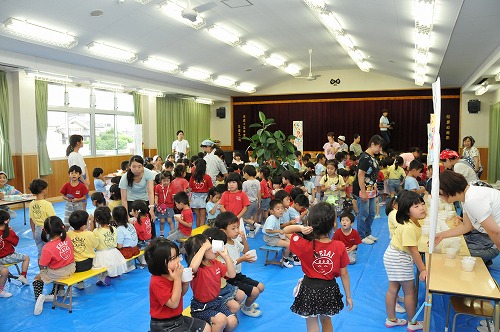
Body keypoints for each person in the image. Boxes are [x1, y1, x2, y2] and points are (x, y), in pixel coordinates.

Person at [284, 202, 353, 332]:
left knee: (311, 322)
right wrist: (348, 296)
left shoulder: (304, 245)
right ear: (333, 224)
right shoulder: (339, 246)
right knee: (327, 320)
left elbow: (285, 231)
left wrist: (301, 228)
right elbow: (344, 274)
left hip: (309, 288)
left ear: (311, 224)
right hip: (329, 289)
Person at [145, 237, 210, 332]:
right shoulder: (157, 282)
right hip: (163, 324)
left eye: (177, 256)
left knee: (206, 328)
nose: (178, 260)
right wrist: (177, 279)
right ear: (160, 263)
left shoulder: (173, 274)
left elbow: (180, 294)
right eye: (173, 258)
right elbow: (174, 304)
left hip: (178, 318)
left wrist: (184, 283)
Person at [383, 190, 426, 331]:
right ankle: (412, 323)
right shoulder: (408, 228)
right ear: (407, 212)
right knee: (410, 291)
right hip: (399, 258)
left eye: (422, 204)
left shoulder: (413, 222)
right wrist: (423, 269)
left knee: (393, 288)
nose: (421, 207)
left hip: (393, 254)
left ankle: (391, 319)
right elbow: (414, 251)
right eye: (416, 206)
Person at [435, 170, 500, 260]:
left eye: (440, 194)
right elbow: (466, 226)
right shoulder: (466, 197)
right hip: (492, 238)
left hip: (494, 242)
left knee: (461, 256)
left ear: (445, 191)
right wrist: (442, 235)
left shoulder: (472, 200)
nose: (440, 198)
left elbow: (495, 232)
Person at [215, 212, 264, 318]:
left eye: (237, 227)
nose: (237, 230)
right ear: (222, 231)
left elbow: (245, 250)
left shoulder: (234, 241)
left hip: (238, 275)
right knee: (255, 291)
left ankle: (246, 304)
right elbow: (226, 267)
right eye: (233, 228)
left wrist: (244, 241)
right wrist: (242, 259)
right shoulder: (221, 248)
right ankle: (246, 308)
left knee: (261, 287)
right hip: (229, 278)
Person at [185, 234, 238, 332]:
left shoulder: (215, 263)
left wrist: (226, 257)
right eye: (209, 247)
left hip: (216, 302)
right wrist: (204, 247)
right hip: (201, 307)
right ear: (198, 253)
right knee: (221, 320)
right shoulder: (197, 269)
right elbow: (192, 267)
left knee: (232, 322)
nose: (212, 248)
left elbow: (231, 274)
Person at [33, 216, 75, 315]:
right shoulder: (67, 239)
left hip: (59, 273)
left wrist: (43, 271)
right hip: (71, 269)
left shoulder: (47, 247)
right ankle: (59, 291)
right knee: (56, 268)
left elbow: (42, 264)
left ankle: (39, 297)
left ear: (46, 231)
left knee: (37, 278)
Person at [353, 135, 383, 245]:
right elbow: (360, 176)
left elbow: (373, 175)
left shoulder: (373, 157)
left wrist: (374, 186)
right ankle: (361, 236)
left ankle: (367, 232)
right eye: (379, 147)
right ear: (372, 144)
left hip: (371, 189)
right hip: (363, 190)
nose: (380, 150)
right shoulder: (365, 158)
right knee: (363, 213)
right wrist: (363, 192)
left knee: (371, 213)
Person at [119, 155, 156, 237]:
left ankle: (153, 241)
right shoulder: (124, 178)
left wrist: (152, 208)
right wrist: (127, 215)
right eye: (134, 166)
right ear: (129, 166)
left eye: (139, 166)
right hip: (131, 202)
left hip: (144, 200)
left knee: (149, 222)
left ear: (143, 166)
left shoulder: (148, 173)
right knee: (134, 224)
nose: (137, 169)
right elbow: (124, 199)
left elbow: (150, 192)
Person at [92, 206, 128, 286]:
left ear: (97, 219)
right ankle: (113, 273)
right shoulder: (114, 228)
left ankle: (103, 277)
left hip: (102, 254)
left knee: (97, 267)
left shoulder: (96, 231)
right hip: (114, 253)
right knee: (112, 264)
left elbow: (94, 245)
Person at [67, 210, 98, 289]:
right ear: (83, 226)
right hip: (89, 263)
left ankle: (80, 283)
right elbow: (95, 245)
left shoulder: (68, 234)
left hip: (74, 266)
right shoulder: (89, 233)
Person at [0, 210, 30, 285]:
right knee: (26, 257)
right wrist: (12, 231)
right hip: (6, 257)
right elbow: (15, 243)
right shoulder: (8, 232)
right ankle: (23, 276)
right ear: (7, 221)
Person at [29, 179, 56, 259]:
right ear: (43, 190)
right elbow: (53, 219)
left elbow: (31, 219)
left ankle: (42, 270)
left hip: (37, 230)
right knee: (50, 251)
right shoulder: (47, 204)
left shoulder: (31, 204)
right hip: (47, 230)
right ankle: (50, 269)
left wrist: (33, 231)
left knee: (40, 252)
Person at [263, 199, 293, 268]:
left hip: (275, 236)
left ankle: (288, 255)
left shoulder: (277, 217)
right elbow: (268, 230)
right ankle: (284, 259)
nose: (281, 210)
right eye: (278, 209)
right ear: (272, 211)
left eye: (282, 208)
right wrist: (279, 231)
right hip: (270, 238)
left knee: (290, 241)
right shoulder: (271, 219)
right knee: (288, 244)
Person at [66, 134, 90, 209]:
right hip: (78, 179)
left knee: (84, 201)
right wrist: (85, 182)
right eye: (81, 141)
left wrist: (87, 179)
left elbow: (85, 166)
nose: (83, 142)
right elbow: (75, 172)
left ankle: (84, 217)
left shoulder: (78, 154)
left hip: (83, 178)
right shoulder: (73, 155)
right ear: (77, 143)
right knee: (79, 203)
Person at [113, 206, 140, 272]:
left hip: (127, 252)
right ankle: (129, 264)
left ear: (114, 218)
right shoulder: (130, 224)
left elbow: (120, 246)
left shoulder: (120, 229)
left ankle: (126, 267)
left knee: (112, 250)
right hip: (135, 248)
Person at [190, 159, 213, 228]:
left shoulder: (192, 177)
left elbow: (190, 188)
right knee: (203, 218)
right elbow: (210, 188)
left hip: (194, 198)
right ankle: (201, 235)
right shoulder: (207, 177)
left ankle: (197, 233)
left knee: (198, 217)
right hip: (204, 198)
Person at [242, 165, 261, 238]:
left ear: (246, 173)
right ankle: (251, 232)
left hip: (249, 203)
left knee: (244, 218)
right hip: (256, 201)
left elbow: (243, 194)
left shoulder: (245, 183)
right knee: (251, 217)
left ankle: (255, 225)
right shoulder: (257, 181)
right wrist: (259, 202)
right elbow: (259, 192)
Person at [154, 171, 174, 237]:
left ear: (170, 180)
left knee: (169, 220)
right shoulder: (158, 187)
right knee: (162, 221)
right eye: (164, 180)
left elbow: (174, 196)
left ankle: (172, 233)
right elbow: (156, 195)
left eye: (167, 180)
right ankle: (162, 234)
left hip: (170, 206)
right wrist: (156, 202)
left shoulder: (172, 186)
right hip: (161, 206)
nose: (165, 182)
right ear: (161, 180)